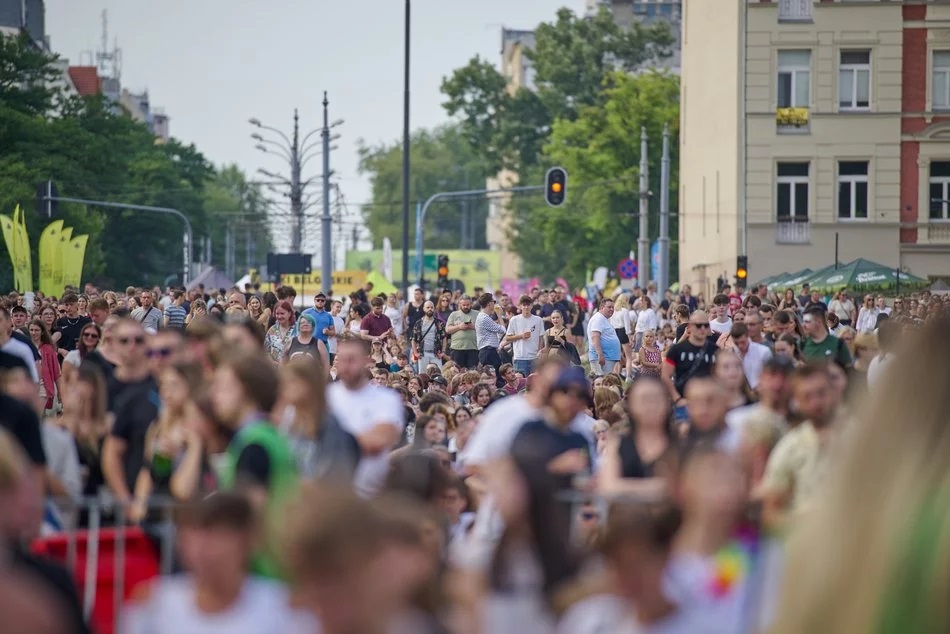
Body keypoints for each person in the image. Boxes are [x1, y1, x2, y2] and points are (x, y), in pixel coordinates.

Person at [121, 493, 314, 634]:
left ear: (248, 540)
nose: (201, 550)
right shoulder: (154, 605)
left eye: (215, 535)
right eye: (192, 535)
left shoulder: (285, 610)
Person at [212, 349, 298, 578]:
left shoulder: (254, 445)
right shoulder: (265, 435)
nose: (215, 396)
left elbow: (248, 515)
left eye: (223, 387)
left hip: (262, 573)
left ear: (246, 390)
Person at [326, 337, 405, 498]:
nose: (346, 365)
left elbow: (379, 440)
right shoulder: (326, 397)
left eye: (352, 360)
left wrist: (330, 442)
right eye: (341, 359)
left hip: (370, 494)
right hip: (330, 492)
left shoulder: (387, 399)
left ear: (366, 361)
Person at [587, 298, 621, 376]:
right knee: (601, 383)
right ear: (601, 307)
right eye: (609, 307)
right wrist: (600, 355)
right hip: (602, 358)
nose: (612, 309)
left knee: (606, 383)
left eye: (613, 307)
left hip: (607, 358)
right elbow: (595, 337)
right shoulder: (598, 319)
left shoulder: (603, 319)